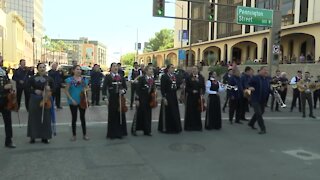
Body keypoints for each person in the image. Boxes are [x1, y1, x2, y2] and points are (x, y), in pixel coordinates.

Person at [27, 63, 54, 144]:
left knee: (46, 118)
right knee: (33, 118)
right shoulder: (32, 78)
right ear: (37, 69)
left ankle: (45, 137)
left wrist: (49, 90)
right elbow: (27, 88)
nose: (42, 69)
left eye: (43, 67)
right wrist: (34, 91)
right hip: (35, 100)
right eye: (40, 67)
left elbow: (55, 88)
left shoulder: (49, 79)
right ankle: (33, 136)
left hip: (46, 99)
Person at [102, 63, 128, 139]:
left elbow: (125, 88)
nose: (115, 67)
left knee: (120, 115)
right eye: (114, 66)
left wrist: (123, 91)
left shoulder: (121, 77)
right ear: (111, 68)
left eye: (116, 66)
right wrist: (105, 98)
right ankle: (112, 133)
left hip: (120, 98)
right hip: (112, 98)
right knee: (112, 115)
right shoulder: (108, 76)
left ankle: (120, 132)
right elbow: (104, 88)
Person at [64, 65, 90, 141]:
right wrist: (71, 99)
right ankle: (74, 135)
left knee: (83, 118)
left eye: (80, 69)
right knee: (74, 118)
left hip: (82, 101)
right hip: (73, 101)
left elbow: (87, 87)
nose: (79, 71)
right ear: (73, 71)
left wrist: (86, 89)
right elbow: (66, 91)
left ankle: (84, 134)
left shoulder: (84, 79)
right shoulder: (69, 80)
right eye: (77, 69)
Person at [131, 65, 155, 136]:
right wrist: (137, 99)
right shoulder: (142, 78)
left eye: (152, 69)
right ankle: (134, 129)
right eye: (150, 69)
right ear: (146, 71)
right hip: (142, 99)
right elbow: (137, 89)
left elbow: (153, 90)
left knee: (148, 115)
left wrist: (154, 97)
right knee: (139, 114)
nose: (151, 70)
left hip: (149, 99)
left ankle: (147, 130)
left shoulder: (152, 79)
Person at [158, 64, 182, 133]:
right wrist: (164, 97)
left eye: (173, 68)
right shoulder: (164, 76)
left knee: (174, 111)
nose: (173, 69)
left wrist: (179, 86)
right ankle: (166, 128)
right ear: (168, 69)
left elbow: (175, 86)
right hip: (167, 96)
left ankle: (175, 127)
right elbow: (162, 88)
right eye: (172, 68)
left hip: (173, 96)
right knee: (167, 111)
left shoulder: (174, 76)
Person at [248, 66, 271, 134]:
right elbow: (248, 84)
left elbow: (268, 88)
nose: (266, 71)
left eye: (266, 70)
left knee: (261, 112)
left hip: (263, 100)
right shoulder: (255, 78)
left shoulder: (266, 79)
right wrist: (249, 87)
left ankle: (251, 123)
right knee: (258, 113)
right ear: (260, 71)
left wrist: (273, 93)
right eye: (264, 70)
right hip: (255, 99)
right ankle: (263, 128)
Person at [0, 57, 16, 148]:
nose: (2, 61)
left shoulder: (3, 70)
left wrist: (11, 89)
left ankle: (8, 141)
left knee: (8, 121)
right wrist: (3, 88)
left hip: (5, 99)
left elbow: (7, 82)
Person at [184, 66, 205, 131]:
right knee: (190, 111)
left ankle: (197, 126)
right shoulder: (188, 78)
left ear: (198, 70)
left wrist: (202, 93)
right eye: (193, 69)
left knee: (197, 112)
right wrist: (192, 91)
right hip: (191, 97)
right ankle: (189, 127)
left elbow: (203, 87)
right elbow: (186, 88)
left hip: (198, 97)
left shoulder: (201, 77)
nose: (194, 70)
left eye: (195, 69)